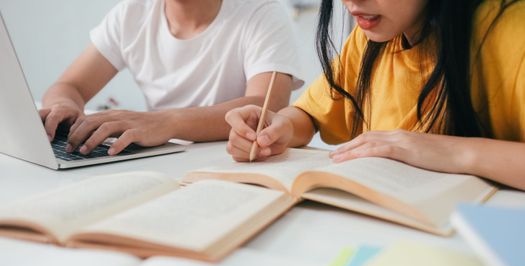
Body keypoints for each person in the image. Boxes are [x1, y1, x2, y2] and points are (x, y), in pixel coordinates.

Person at [225, 0, 525, 191]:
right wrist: (280, 127)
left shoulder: (512, 31)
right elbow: (311, 114)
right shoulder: (372, 36)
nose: (351, 2)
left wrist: (452, 151)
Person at [40, 0, 302, 155]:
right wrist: (64, 107)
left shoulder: (262, 12)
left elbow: (268, 107)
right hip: (157, 159)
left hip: (231, 161)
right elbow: (69, 86)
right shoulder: (132, 13)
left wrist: (167, 121)